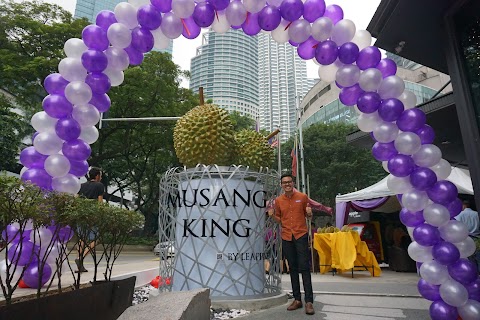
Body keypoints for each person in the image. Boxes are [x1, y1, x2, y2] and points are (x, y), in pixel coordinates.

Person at [268, 173, 315, 315]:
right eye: (284, 182)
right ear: (281, 185)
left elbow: (308, 216)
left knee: (304, 268)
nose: (287, 184)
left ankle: (309, 301)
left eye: (289, 182)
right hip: (287, 236)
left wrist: (310, 213)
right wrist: (272, 216)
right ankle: (297, 299)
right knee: (292, 268)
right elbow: (280, 220)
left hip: (300, 235)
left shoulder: (302, 197)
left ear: (293, 183)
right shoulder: (278, 201)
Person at [75, 167, 105, 272]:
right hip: (92, 215)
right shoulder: (99, 186)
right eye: (100, 175)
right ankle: (81, 258)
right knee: (95, 239)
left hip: (81, 214)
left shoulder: (81, 186)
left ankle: (80, 266)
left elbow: (76, 199)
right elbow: (100, 202)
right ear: (97, 176)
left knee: (81, 239)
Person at [455, 200, 480, 271]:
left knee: (469, 258)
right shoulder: (476, 214)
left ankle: (473, 272)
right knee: (478, 257)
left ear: (464, 205)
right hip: (477, 239)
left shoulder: (460, 215)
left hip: (466, 239)